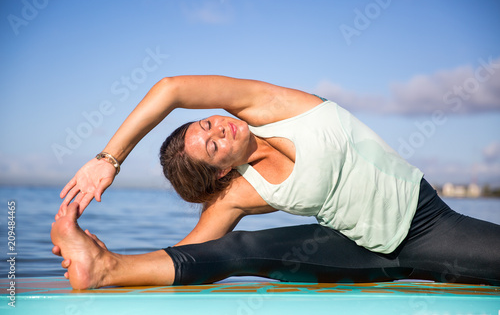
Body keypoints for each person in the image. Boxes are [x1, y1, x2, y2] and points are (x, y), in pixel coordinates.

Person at [51, 75, 500, 289]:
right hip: (359, 249)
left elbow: (171, 89)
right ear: (222, 171)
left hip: (426, 225)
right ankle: (104, 267)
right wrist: (106, 253)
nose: (217, 130)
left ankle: (428, 267)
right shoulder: (241, 193)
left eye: (207, 124)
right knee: (235, 251)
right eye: (210, 146)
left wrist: (108, 159)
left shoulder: (270, 106)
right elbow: (197, 254)